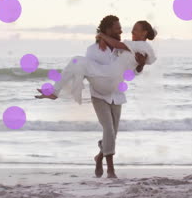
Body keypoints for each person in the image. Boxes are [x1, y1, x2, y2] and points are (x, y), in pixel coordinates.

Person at [35, 17, 157, 178]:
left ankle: (99, 157)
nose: (123, 31)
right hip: (100, 90)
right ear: (107, 30)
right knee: (109, 130)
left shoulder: (132, 46)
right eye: (117, 28)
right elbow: (89, 70)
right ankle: (111, 170)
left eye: (134, 29)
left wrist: (139, 64)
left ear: (144, 33)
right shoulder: (94, 50)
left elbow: (133, 70)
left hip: (115, 91)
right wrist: (100, 40)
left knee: (112, 134)